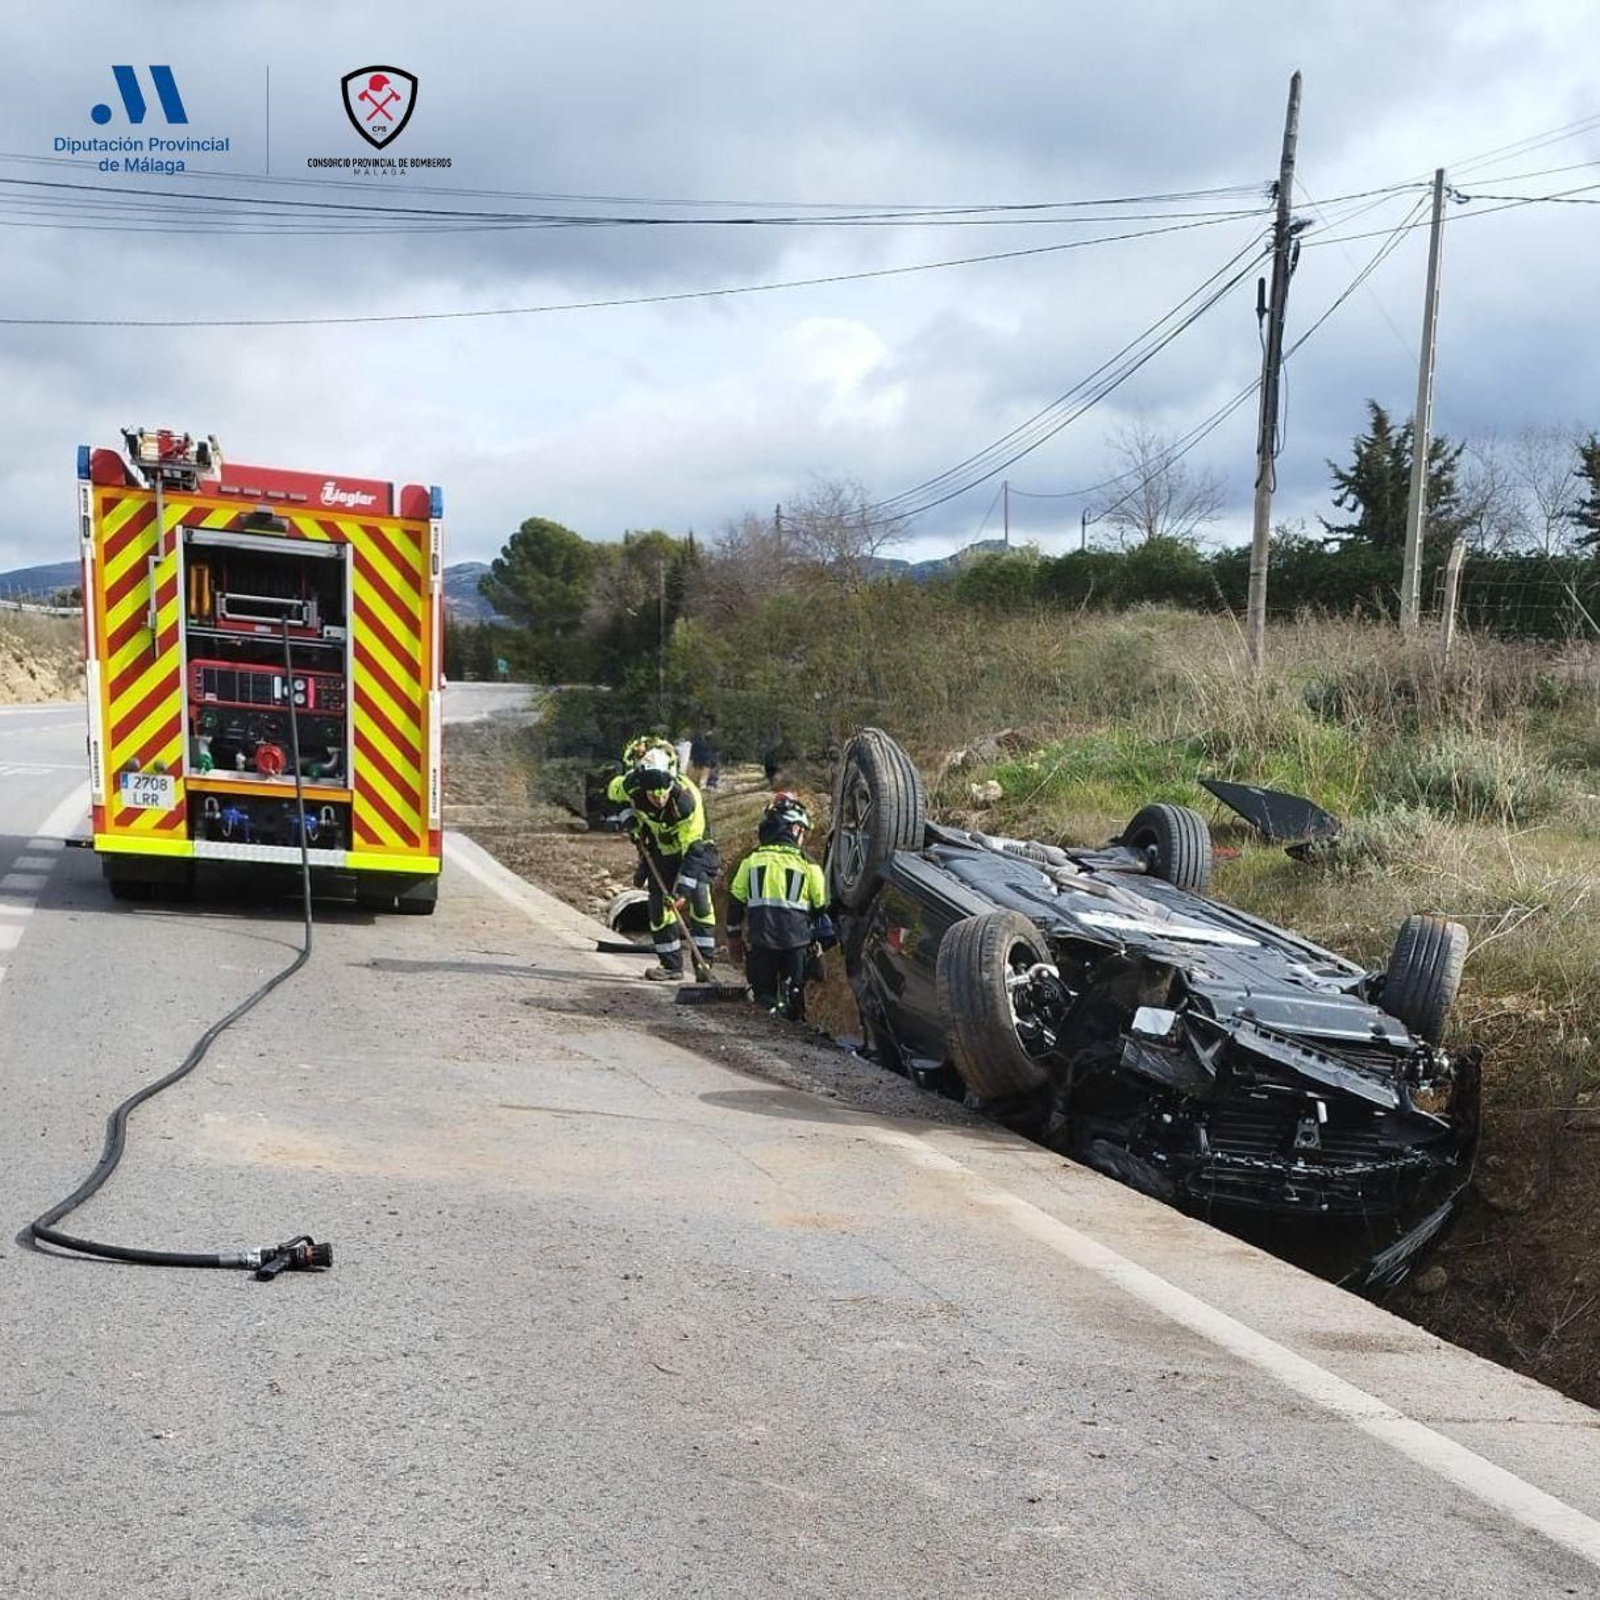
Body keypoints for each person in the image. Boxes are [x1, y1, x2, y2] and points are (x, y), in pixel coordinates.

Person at [607, 744, 720, 982]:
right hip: (662, 852)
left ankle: (704, 966)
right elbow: (613, 794)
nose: (659, 799)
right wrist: (631, 824)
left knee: (700, 904)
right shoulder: (631, 786)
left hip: (694, 851)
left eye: (663, 793)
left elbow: (694, 850)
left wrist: (681, 891)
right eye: (652, 794)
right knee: (658, 909)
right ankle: (671, 967)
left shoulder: (687, 802)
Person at [726, 793, 836, 1020]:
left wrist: (733, 938)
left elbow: (735, 902)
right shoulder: (808, 864)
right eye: (803, 832)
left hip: (760, 943)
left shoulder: (752, 861)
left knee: (762, 1000)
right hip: (796, 946)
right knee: (794, 1002)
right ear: (794, 829)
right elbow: (821, 905)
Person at [689, 726, 720, 790]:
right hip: (706, 760)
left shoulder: (696, 743)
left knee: (699, 773)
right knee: (704, 773)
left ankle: (700, 785)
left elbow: (693, 753)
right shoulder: (710, 744)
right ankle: (705, 785)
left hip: (700, 760)